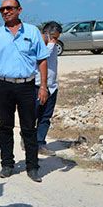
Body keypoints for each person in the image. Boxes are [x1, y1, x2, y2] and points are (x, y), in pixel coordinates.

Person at [0, 0, 49, 183]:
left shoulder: (32, 32)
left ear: (19, 10)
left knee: (29, 127)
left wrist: (43, 86)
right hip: (3, 85)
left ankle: (32, 166)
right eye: (2, 9)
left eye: (9, 8)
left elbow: (42, 60)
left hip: (27, 86)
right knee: (5, 126)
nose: (5, 11)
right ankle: (7, 164)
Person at [36, 21, 62, 156]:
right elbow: (41, 57)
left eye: (57, 38)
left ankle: (40, 143)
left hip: (52, 86)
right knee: (32, 115)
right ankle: (26, 137)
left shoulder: (53, 46)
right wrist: (50, 44)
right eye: (53, 37)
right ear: (45, 33)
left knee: (45, 117)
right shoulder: (38, 45)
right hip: (38, 85)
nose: (55, 41)